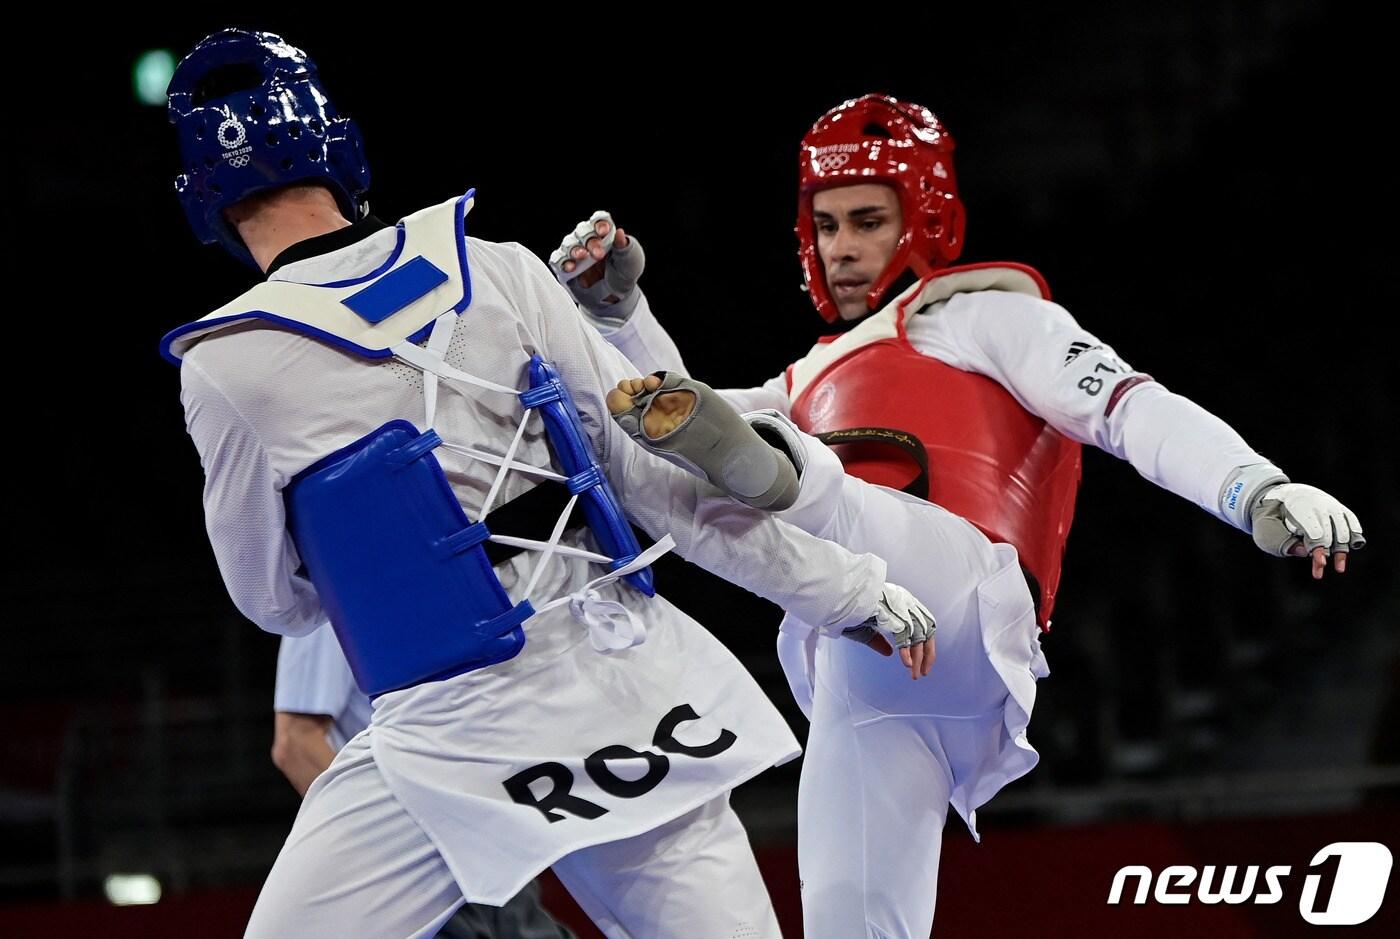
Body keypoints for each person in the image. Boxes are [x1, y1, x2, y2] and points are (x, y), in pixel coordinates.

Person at [161, 34, 932, 938]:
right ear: (341, 147)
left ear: (203, 197)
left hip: (445, 726)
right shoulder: (500, 268)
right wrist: (855, 591)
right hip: (624, 690)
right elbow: (663, 485)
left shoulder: (228, 364)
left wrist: (379, 555)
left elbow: (272, 602)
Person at [550, 92, 1366, 938]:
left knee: (786, 481)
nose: (842, 249)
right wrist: (621, 318)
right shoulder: (800, 381)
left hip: (969, 593)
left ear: (925, 216)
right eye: (826, 226)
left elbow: (1130, 408)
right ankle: (783, 485)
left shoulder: (985, 315)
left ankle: (790, 483)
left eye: (866, 221)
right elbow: (675, 418)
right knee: (849, 923)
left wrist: (1255, 488)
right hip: (869, 662)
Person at [272, 626, 576, 938]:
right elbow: (296, 745)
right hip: (418, 846)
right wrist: (384, 853)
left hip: (479, 828)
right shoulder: (332, 605)